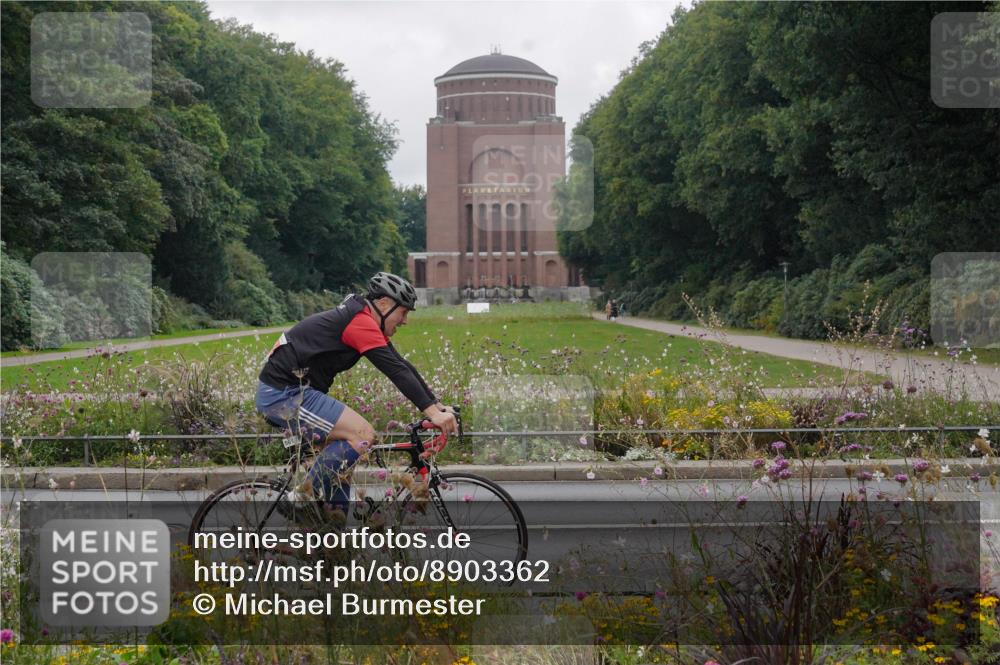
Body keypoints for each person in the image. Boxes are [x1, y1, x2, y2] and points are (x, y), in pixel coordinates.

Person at [255, 271, 458, 516]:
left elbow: (401, 364)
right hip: (283, 395)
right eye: (403, 312)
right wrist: (432, 414)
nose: (405, 321)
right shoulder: (358, 322)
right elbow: (394, 371)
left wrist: (436, 407)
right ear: (384, 304)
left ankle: (332, 543)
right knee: (362, 435)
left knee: (341, 464)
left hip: (297, 391)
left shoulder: (364, 319)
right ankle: (299, 497)